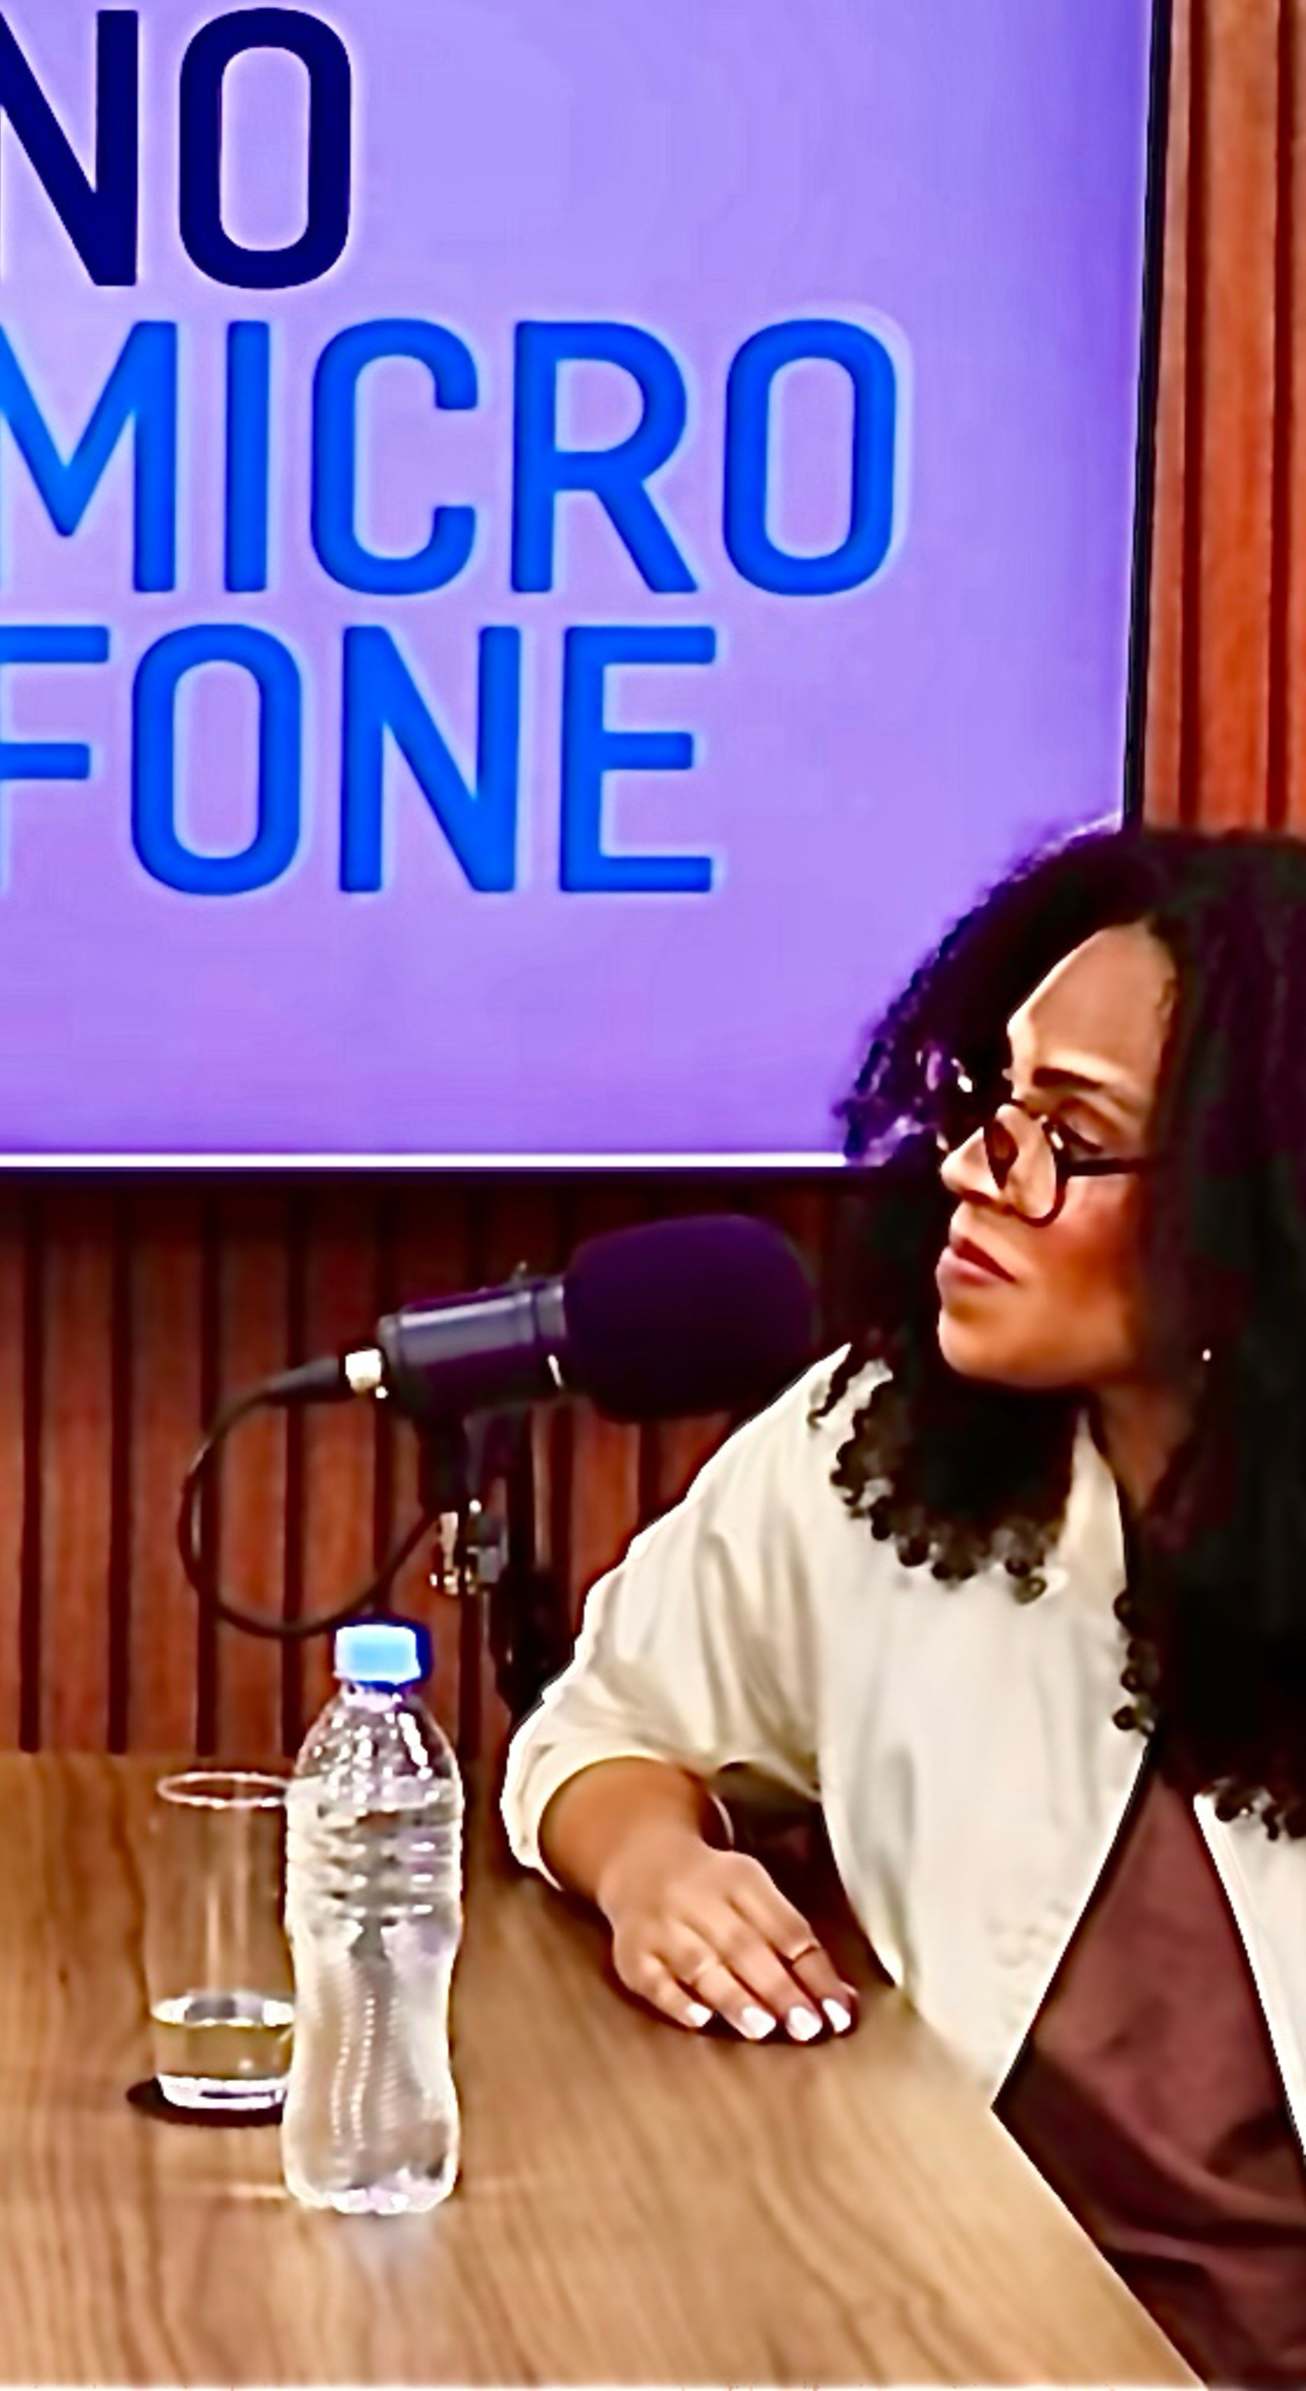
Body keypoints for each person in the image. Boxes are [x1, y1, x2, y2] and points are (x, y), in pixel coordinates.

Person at [506, 822, 1306, 2387]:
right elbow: (603, 1726)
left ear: (1257, 1213)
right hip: (933, 2333)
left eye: (1068, 1136)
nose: (971, 1169)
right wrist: (653, 1863)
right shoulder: (876, 1444)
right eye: (992, 1099)